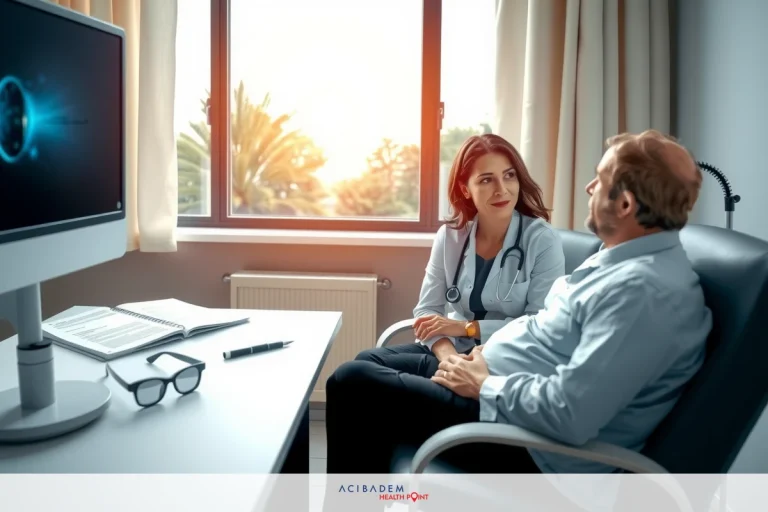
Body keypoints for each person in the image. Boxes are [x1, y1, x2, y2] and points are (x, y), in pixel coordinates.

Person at [323, 129, 712, 476]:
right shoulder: (620, 261)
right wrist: (475, 363)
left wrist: (485, 383)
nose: (590, 188)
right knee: (363, 370)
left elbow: (571, 415)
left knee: (352, 384)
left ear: (625, 205)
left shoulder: (642, 293)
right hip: (492, 385)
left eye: (601, 179)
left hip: (523, 440)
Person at [352, 133, 565, 385]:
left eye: (509, 175)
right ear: (465, 189)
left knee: (357, 380)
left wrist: (466, 328)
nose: (502, 189)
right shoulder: (451, 236)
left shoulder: (541, 239)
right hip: (452, 352)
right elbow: (427, 309)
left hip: (506, 362)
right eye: (487, 180)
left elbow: (539, 324)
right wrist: (450, 360)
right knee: (362, 365)